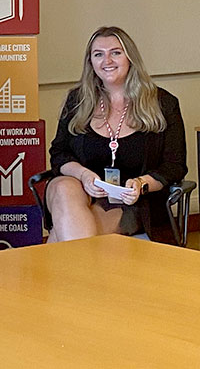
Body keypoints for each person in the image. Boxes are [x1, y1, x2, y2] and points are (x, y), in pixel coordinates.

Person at [46, 26, 187, 243]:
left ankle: (71, 271)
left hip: (134, 201)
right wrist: (83, 175)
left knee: (63, 234)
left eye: (116, 52)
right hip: (80, 192)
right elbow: (59, 153)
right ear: (90, 62)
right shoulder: (78, 101)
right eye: (98, 54)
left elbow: (174, 166)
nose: (107, 61)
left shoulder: (163, 104)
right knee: (63, 186)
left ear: (130, 58)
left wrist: (141, 183)